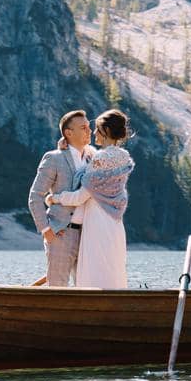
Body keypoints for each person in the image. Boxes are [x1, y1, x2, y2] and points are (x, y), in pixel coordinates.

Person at [47, 109, 134, 289]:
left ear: (107, 131)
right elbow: (91, 156)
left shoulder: (100, 159)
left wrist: (54, 198)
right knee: (112, 269)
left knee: (94, 271)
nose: (93, 132)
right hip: (115, 223)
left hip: (97, 222)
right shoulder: (123, 157)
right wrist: (68, 143)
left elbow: (80, 197)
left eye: (97, 129)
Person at [27, 109, 94, 286]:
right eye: (84, 127)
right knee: (57, 288)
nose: (90, 130)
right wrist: (46, 230)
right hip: (60, 234)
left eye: (89, 126)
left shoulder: (91, 160)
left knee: (87, 290)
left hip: (88, 236)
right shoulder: (54, 158)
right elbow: (35, 196)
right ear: (68, 133)